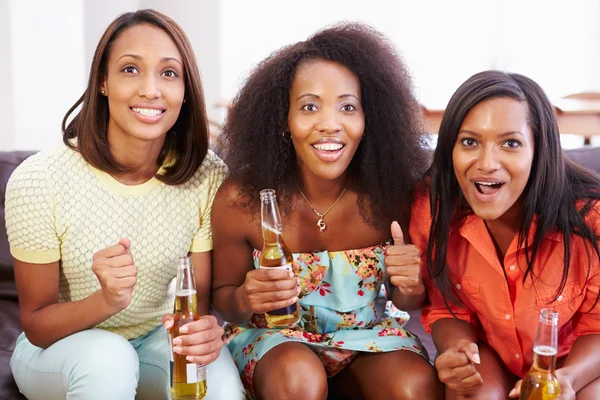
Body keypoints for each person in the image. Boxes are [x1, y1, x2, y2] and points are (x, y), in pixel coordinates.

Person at [5, 9, 244, 400]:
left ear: (185, 90)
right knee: (108, 360)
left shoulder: (206, 176)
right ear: (103, 81)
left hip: (154, 337)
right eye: (130, 69)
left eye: (169, 73)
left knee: (217, 385)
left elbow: (198, 307)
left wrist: (203, 332)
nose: (151, 89)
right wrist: (107, 301)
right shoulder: (39, 179)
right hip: (58, 349)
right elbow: (36, 324)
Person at [211, 23, 443, 400]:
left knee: (414, 386)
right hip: (275, 341)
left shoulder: (395, 195)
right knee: (299, 380)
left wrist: (412, 286)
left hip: (367, 338)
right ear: (283, 120)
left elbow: (406, 302)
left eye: (348, 107)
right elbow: (224, 300)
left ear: (370, 120)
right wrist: (243, 299)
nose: (329, 124)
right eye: (309, 107)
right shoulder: (243, 200)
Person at [411, 70, 600, 399]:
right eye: (470, 142)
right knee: (471, 392)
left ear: (538, 150)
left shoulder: (590, 220)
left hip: (576, 361)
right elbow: (446, 307)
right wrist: (456, 352)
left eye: (510, 143)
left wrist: (566, 379)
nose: (487, 163)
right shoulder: (434, 209)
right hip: (491, 355)